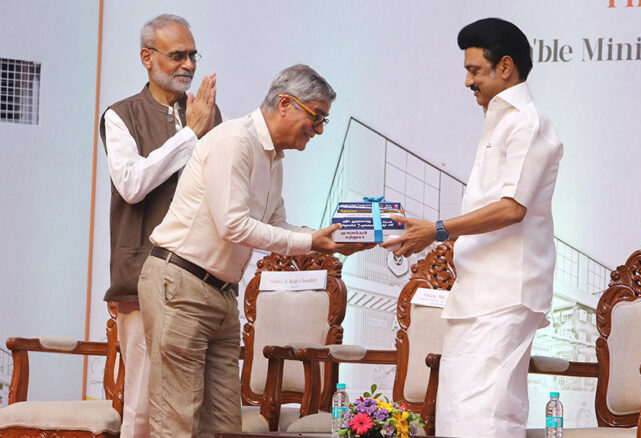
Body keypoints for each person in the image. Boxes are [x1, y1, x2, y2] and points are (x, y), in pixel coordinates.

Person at [137, 64, 370, 438]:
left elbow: (277, 226)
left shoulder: (274, 158)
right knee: (179, 423)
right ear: (285, 104)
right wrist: (312, 242)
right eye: (317, 116)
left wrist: (328, 239)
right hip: (180, 285)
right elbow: (233, 226)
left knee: (226, 424)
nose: (320, 129)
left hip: (220, 294)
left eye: (325, 119)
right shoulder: (235, 141)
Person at [381, 18, 563, 437]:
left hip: (505, 293)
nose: (467, 82)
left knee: (485, 417)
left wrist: (437, 230)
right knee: (457, 416)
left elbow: (512, 209)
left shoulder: (528, 123)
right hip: (478, 292)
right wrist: (430, 232)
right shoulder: (499, 121)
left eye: (474, 71)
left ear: (505, 67)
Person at [101, 13, 220, 438]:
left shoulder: (207, 112)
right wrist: (190, 135)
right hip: (141, 278)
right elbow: (132, 185)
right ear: (146, 58)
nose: (188, 64)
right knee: (143, 406)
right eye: (177, 56)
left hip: (201, 282)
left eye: (192, 55)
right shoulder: (121, 115)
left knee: (195, 409)